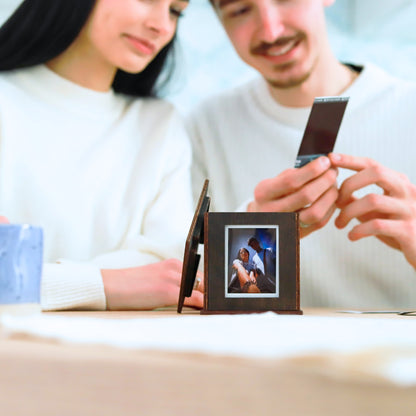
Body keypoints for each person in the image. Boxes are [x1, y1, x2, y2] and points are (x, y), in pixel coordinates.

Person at [187, 0, 416, 308]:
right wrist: (249, 230)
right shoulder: (205, 127)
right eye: (240, 10)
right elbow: (188, 289)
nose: (271, 31)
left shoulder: (408, 110)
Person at [0, 0, 204, 311]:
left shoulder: (159, 125)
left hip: (124, 354)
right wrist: (107, 284)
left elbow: (168, 264)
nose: (162, 25)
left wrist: (40, 279)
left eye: (176, 11)